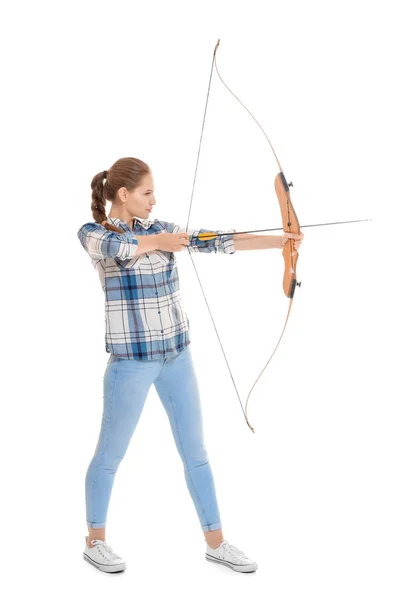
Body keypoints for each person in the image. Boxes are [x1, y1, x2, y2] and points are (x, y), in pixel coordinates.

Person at [77, 156, 304, 574]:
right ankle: (95, 541)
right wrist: (160, 243)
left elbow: (218, 239)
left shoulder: (163, 231)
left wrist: (283, 241)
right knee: (110, 455)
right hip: (131, 364)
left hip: (177, 357)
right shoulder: (95, 233)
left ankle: (216, 543)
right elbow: (118, 248)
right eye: (146, 193)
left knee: (196, 453)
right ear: (124, 195)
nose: (154, 200)